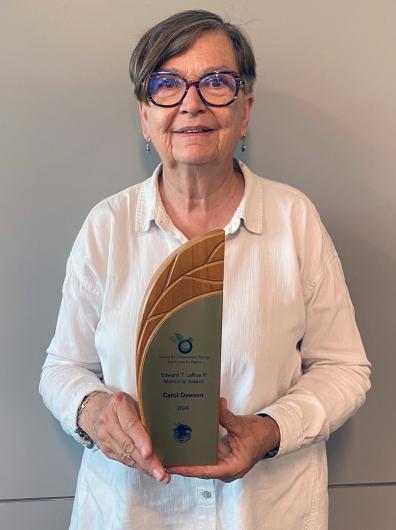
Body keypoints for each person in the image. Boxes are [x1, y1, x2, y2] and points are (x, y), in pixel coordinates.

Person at [40, 9, 371, 530]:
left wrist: (270, 430)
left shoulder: (294, 219)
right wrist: (92, 412)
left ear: (245, 111)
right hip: (133, 512)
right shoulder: (106, 227)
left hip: (265, 513)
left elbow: (345, 368)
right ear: (145, 116)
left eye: (216, 82)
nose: (192, 103)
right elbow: (62, 367)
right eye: (167, 84)